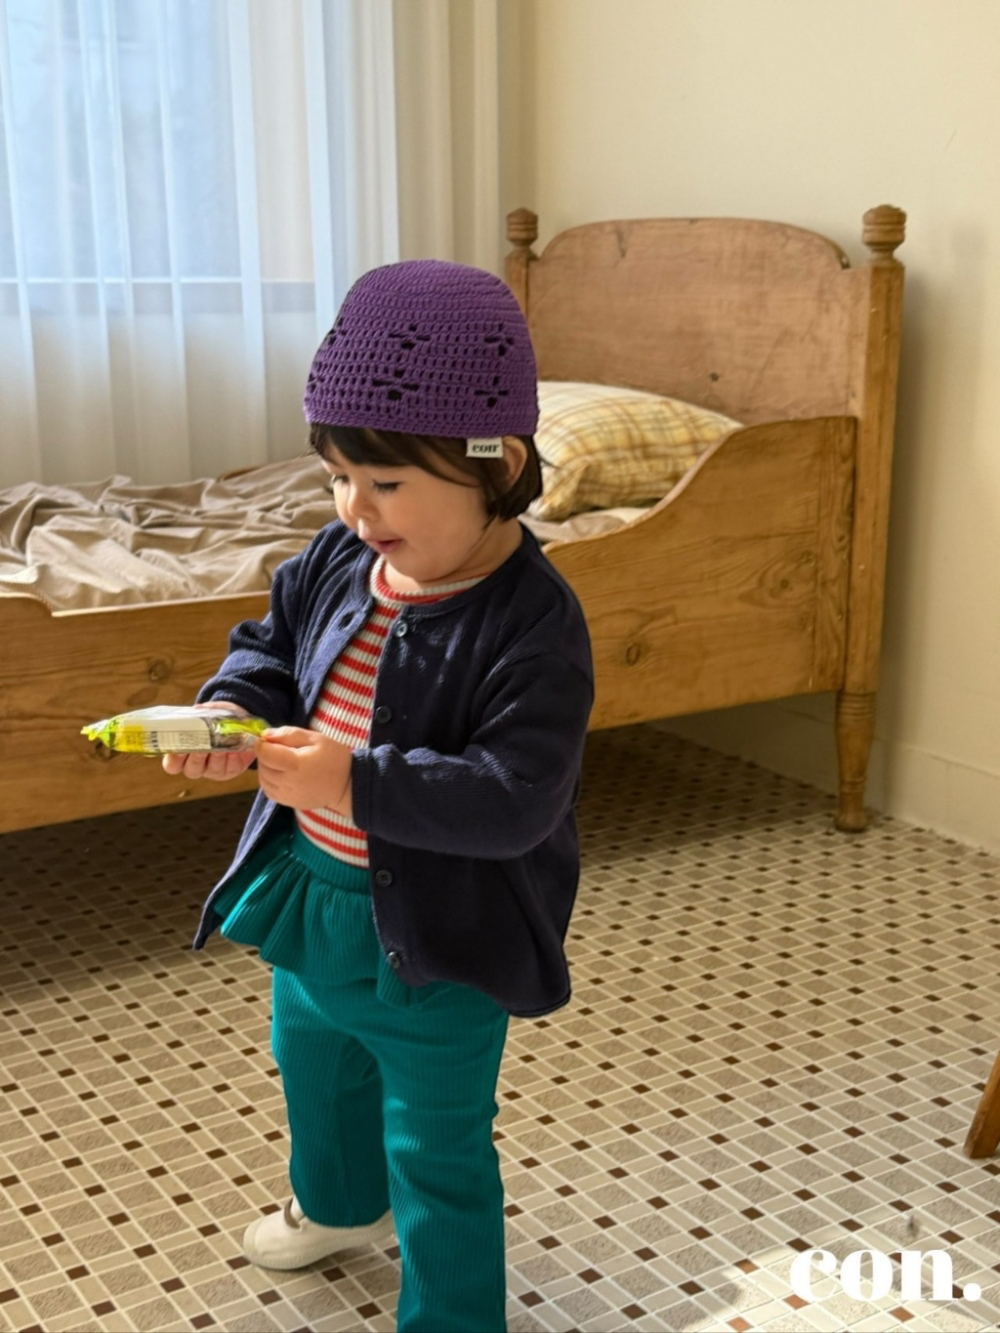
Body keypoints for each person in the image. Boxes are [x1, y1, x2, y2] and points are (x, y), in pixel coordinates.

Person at [164, 259, 594, 1333]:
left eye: (387, 483)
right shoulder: (333, 559)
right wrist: (233, 711)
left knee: (436, 1141)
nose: (355, 508)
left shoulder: (534, 624)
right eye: (337, 477)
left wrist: (353, 780)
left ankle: (452, 1315)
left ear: (496, 464)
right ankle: (340, 1203)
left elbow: (516, 798)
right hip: (313, 896)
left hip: (445, 935)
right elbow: (268, 651)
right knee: (312, 1067)